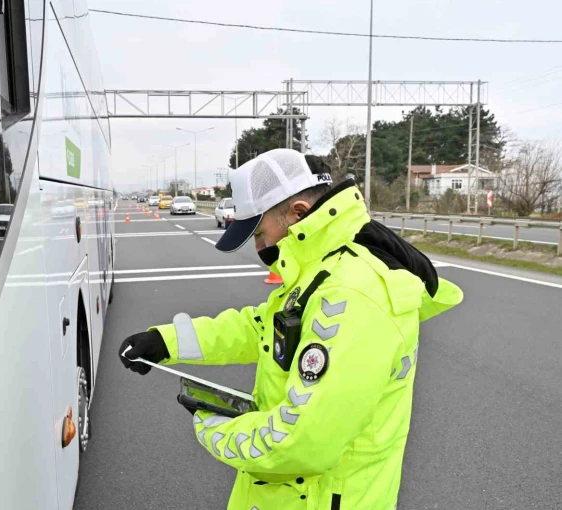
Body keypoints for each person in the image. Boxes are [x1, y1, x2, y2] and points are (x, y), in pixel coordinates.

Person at [119, 148, 463, 509]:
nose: (258, 246)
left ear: (298, 213)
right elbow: (261, 327)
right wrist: (165, 341)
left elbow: (300, 441)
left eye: (259, 232)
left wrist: (213, 428)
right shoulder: (321, 270)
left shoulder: (353, 292)